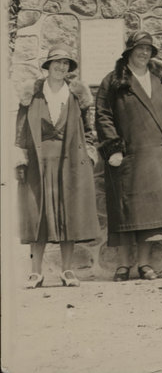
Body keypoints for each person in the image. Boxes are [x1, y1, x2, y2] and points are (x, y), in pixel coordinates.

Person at [16, 47, 100, 289]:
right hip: (38, 162)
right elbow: (20, 133)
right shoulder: (32, 95)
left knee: (68, 215)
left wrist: (90, 155)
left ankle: (67, 270)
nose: (61, 67)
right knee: (37, 216)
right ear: (48, 65)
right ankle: (35, 273)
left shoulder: (76, 96)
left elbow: (89, 131)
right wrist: (20, 158)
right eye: (56, 62)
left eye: (66, 64)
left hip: (71, 162)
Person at [95, 32, 162, 281]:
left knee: (151, 215)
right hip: (127, 156)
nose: (144, 53)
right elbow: (103, 115)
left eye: (148, 49)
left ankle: (144, 264)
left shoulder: (160, 79)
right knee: (125, 213)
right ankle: (122, 265)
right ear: (129, 52)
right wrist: (113, 148)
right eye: (139, 48)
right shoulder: (114, 81)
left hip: (156, 155)